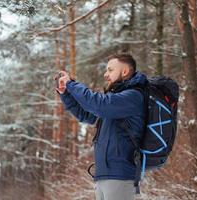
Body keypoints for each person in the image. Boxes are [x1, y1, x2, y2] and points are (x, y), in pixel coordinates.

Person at [55, 53, 147, 200]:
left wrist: (71, 85)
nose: (106, 74)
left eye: (110, 70)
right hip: (103, 175)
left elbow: (99, 104)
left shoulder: (133, 96)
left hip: (120, 175)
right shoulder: (114, 103)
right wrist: (66, 93)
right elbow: (86, 115)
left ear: (124, 71)